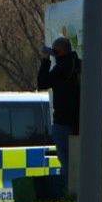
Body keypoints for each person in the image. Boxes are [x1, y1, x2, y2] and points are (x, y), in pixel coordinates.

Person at [36, 37, 80, 193]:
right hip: (80, 123)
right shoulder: (79, 65)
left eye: (55, 52)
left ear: (59, 52)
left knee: (67, 162)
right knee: (79, 161)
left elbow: (42, 83)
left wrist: (46, 60)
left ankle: (70, 191)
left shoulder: (61, 68)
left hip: (62, 122)